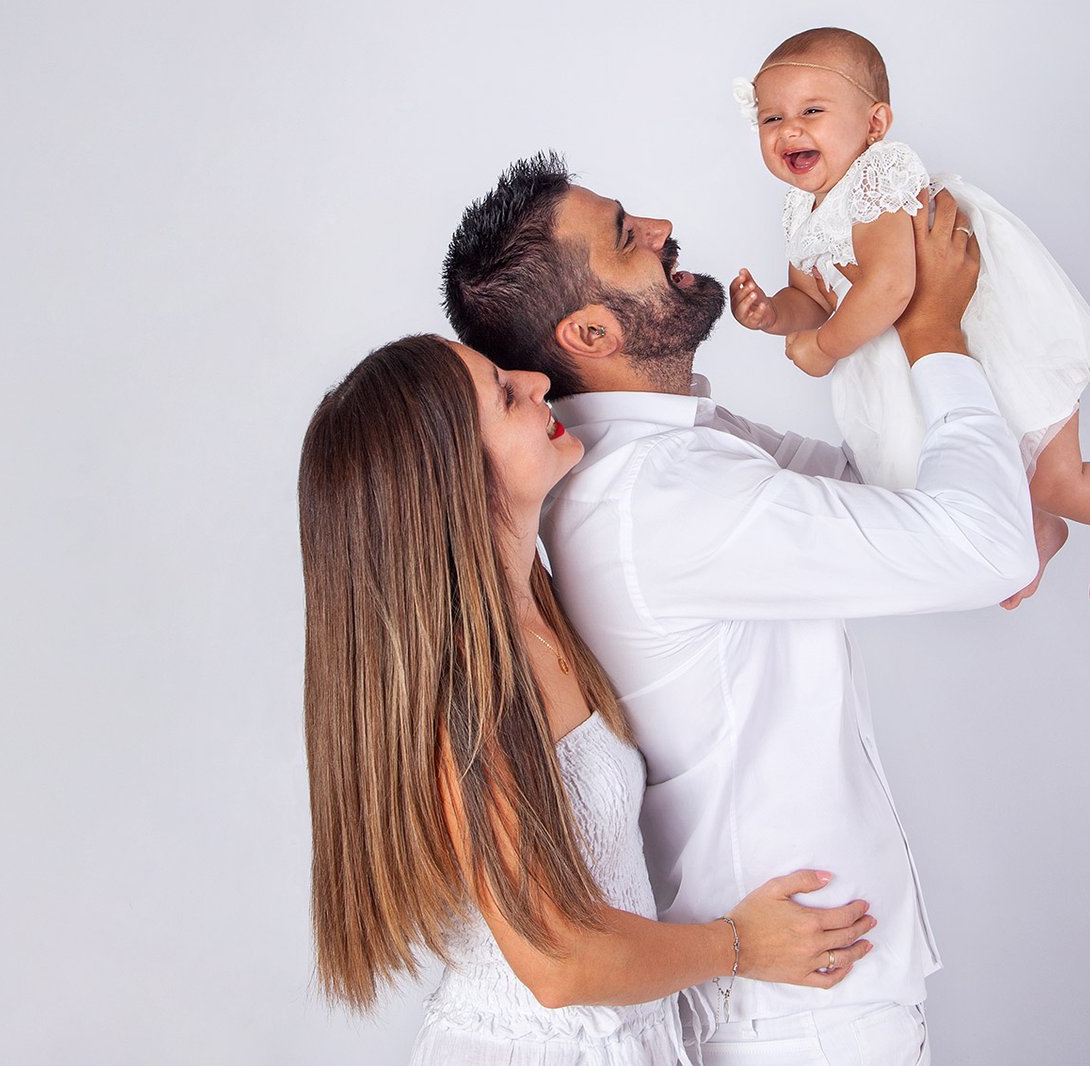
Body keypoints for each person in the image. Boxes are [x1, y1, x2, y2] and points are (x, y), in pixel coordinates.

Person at [441, 153, 1036, 1063]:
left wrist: (879, 302)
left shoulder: (672, 451)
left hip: (793, 984)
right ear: (592, 330)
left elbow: (884, 491)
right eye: (624, 235)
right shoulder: (668, 493)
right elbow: (982, 547)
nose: (660, 226)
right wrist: (937, 334)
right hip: (801, 1000)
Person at [297, 334, 880, 1064]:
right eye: (505, 394)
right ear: (450, 478)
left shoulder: (544, 606)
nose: (539, 381)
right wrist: (738, 945)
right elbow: (559, 963)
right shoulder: (462, 696)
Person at [729, 27, 1090, 608]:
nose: (790, 130)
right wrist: (776, 314)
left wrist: (824, 347)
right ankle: (1037, 529)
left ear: (875, 124)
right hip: (912, 360)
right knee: (969, 461)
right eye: (771, 119)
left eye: (812, 111)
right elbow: (815, 296)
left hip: (986, 339)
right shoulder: (800, 207)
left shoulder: (877, 179)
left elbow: (891, 285)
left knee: (1054, 475)